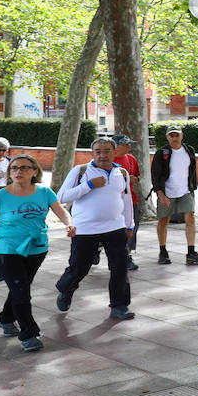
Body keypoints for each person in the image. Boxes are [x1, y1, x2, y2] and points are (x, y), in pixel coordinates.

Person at [0, 155, 73, 352]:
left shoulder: (45, 192)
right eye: (14, 168)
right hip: (5, 248)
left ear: (35, 171)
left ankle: (6, 318)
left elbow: (61, 212)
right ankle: (29, 334)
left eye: (24, 168)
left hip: (36, 247)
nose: (18, 172)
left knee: (21, 287)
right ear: (9, 172)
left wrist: (69, 224)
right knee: (21, 291)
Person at [54, 137, 136, 320]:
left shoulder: (121, 173)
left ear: (114, 152)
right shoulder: (81, 171)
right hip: (85, 229)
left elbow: (126, 199)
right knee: (79, 267)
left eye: (107, 151)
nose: (102, 155)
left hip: (115, 227)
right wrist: (89, 185)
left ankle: (119, 305)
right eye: (98, 151)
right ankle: (66, 288)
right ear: (93, 154)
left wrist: (130, 224)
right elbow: (62, 196)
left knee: (120, 268)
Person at [151, 126, 198, 265]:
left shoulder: (189, 150)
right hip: (167, 192)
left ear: (182, 136)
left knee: (191, 218)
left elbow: (191, 170)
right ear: (167, 137)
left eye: (177, 135)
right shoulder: (162, 153)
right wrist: (160, 194)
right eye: (171, 135)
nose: (174, 138)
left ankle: (191, 252)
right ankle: (163, 251)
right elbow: (155, 175)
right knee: (164, 220)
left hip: (186, 191)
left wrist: (192, 187)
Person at [113, 135, 141, 272]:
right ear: (116, 146)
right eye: (126, 144)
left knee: (132, 227)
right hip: (112, 201)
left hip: (130, 199)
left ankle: (128, 256)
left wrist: (134, 179)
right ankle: (97, 249)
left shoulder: (131, 159)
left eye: (130, 144)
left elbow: (137, 176)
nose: (129, 147)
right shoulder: (107, 160)